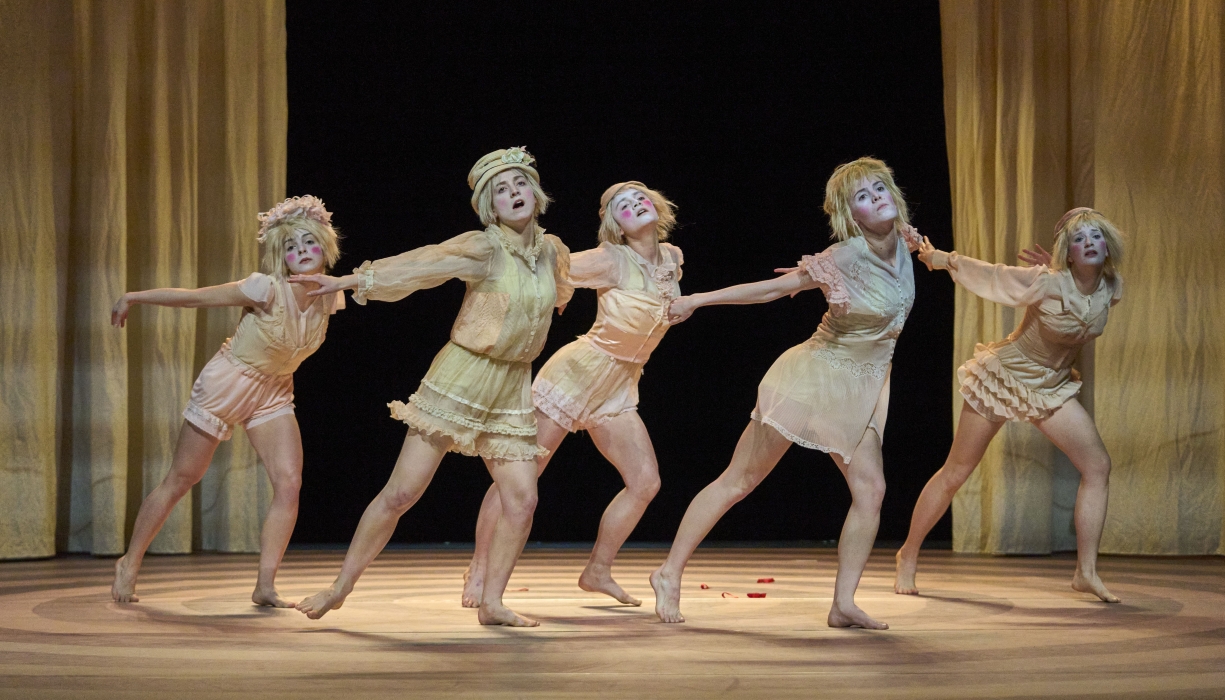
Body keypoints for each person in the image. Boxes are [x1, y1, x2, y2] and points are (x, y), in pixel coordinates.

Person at [292, 148, 572, 626]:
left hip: (512, 385)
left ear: (535, 191)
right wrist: (354, 280)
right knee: (402, 493)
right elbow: (424, 264)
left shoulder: (553, 251)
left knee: (523, 500)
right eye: (500, 190)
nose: (513, 194)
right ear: (489, 206)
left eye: (519, 184)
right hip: (462, 375)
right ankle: (339, 588)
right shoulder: (484, 247)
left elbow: (562, 287)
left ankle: (492, 603)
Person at [652, 157, 921, 629]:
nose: (876, 198)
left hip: (864, 386)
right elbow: (770, 291)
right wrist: (698, 300)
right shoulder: (845, 257)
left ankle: (843, 604)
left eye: (880, 188)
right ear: (850, 215)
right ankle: (668, 572)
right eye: (862, 196)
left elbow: (938, 258)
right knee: (740, 480)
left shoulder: (905, 239)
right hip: (814, 378)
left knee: (871, 490)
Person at [109, 195, 344, 608]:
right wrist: (134, 296)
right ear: (282, 257)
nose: (302, 251)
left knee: (289, 482)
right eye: (291, 246)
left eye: (309, 242)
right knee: (182, 478)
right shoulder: (264, 287)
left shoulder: (331, 295)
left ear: (325, 246)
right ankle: (129, 562)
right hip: (229, 382)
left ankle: (265, 584)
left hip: (274, 390)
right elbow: (195, 298)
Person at [462, 181, 682, 608]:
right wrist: (556, 292)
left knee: (645, 482)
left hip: (618, 385)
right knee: (521, 478)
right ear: (615, 225)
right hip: (576, 374)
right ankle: (480, 567)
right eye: (623, 204)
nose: (636, 204)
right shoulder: (610, 257)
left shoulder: (672, 257)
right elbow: (549, 267)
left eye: (640, 198)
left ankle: (598, 569)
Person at [894, 207, 1125, 604]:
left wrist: (1062, 270)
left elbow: (1083, 308)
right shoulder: (1045, 282)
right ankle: (908, 554)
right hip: (1004, 377)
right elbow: (994, 275)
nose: (1088, 243)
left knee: (1097, 466)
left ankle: (1085, 573)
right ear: (1068, 252)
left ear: (1108, 245)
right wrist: (940, 258)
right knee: (956, 471)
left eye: (1095, 236)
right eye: (1078, 239)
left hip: (1051, 387)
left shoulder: (1112, 286)